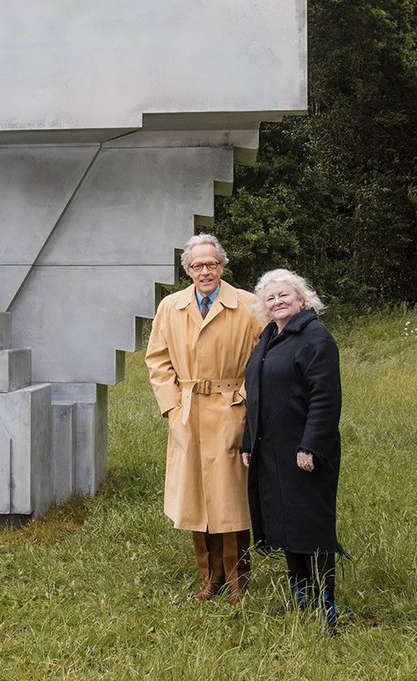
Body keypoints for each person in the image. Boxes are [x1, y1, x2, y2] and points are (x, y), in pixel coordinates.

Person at [145, 234, 264, 604]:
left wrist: (243, 399)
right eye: (197, 265)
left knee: (231, 499)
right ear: (188, 270)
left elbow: (263, 358)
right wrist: (172, 406)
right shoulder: (171, 306)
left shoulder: (248, 305)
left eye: (211, 263)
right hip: (189, 413)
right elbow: (157, 360)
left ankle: (238, 580)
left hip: (231, 410)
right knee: (196, 498)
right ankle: (210, 578)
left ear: (222, 265)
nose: (205, 271)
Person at [240, 268, 344, 631]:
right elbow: (255, 395)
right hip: (271, 449)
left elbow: (325, 398)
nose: (277, 302)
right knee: (287, 525)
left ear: (302, 298)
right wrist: (248, 441)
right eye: (270, 298)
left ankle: (327, 606)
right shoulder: (270, 336)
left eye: (284, 295)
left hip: (304, 451)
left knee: (312, 528)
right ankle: (302, 596)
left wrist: (310, 446)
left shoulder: (316, 338)